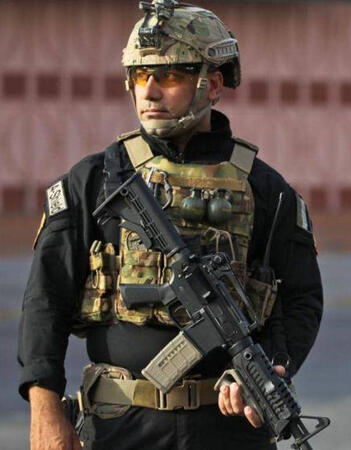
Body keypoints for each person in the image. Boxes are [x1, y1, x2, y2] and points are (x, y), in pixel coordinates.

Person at [17, 1, 323, 449]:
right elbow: (46, 299)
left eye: (170, 76)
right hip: (119, 426)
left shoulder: (266, 190)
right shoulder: (95, 181)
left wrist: (271, 367)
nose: (150, 92)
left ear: (212, 84)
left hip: (229, 429)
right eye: (140, 76)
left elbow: (300, 298)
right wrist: (44, 410)